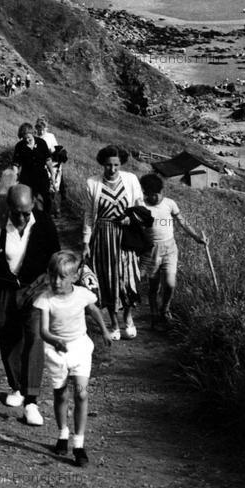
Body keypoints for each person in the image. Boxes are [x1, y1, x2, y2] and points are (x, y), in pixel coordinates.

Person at [0, 184, 60, 425]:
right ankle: (17, 386)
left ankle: (31, 400)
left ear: (33, 204)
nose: (21, 217)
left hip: (35, 288)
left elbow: (55, 254)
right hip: (3, 288)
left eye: (25, 211)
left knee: (35, 336)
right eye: (16, 212)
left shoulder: (43, 222)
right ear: (8, 207)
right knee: (6, 333)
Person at [34, 251, 112, 466]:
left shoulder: (81, 295)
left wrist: (104, 330)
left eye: (62, 277)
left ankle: (79, 444)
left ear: (75, 277)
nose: (57, 282)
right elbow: (43, 331)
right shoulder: (45, 299)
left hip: (79, 347)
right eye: (53, 276)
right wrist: (55, 340)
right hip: (56, 350)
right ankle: (62, 433)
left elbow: (93, 310)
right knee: (60, 394)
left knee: (81, 393)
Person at [82, 145, 143, 341]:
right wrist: (85, 242)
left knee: (127, 277)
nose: (113, 169)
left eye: (116, 165)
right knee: (108, 279)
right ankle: (114, 323)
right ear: (102, 164)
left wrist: (131, 219)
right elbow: (89, 215)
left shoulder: (131, 180)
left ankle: (128, 318)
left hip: (125, 236)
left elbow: (140, 207)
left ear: (121, 163)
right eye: (108, 165)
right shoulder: (93, 183)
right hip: (103, 237)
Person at [139, 173, 206, 328]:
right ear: (145, 193)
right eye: (151, 194)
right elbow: (137, 228)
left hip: (170, 249)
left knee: (170, 283)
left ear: (162, 191)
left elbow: (183, 222)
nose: (155, 198)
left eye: (158, 194)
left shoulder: (170, 204)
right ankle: (154, 315)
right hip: (151, 251)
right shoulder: (141, 206)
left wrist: (196, 237)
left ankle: (165, 309)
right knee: (154, 286)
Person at [12, 123, 56, 214]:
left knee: (46, 201)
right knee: (30, 202)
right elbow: (16, 164)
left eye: (29, 138)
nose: (27, 140)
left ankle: (46, 218)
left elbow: (48, 161)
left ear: (33, 134)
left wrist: (53, 175)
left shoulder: (41, 143)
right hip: (27, 179)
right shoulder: (19, 146)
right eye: (24, 139)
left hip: (42, 177)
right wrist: (14, 177)